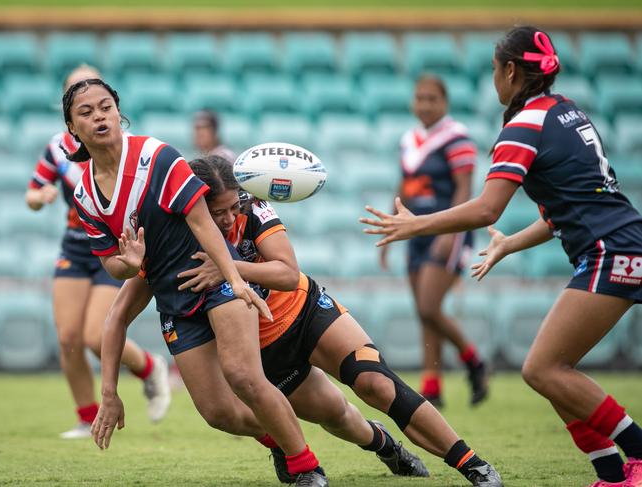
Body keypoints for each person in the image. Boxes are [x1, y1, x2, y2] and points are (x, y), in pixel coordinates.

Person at [361, 26, 642, 487]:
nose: (493, 78)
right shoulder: (568, 111)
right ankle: (611, 473)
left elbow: (486, 207)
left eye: (495, 69)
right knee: (553, 371)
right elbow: (564, 211)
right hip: (618, 243)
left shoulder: (525, 125)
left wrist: (416, 224)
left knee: (543, 369)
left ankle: (636, 453)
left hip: (610, 251)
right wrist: (509, 243)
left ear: (511, 70)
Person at [174, 155, 503, 487]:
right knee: (339, 417)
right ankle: (386, 446)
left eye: (234, 207)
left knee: (376, 383)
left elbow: (287, 273)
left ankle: (474, 465)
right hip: (267, 351)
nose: (229, 218)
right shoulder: (180, 235)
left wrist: (229, 268)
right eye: (218, 213)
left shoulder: (255, 210)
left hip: (307, 312)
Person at [66, 78, 328, 487]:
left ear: (119, 112)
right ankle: (279, 441)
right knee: (216, 413)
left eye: (105, 107)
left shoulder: (157, 157)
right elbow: (113, 267)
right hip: (174, 299)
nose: (98, 116)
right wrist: (109, 393)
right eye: (86, 112)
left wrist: (234, 279)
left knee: (243, 376)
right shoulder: (84, 193)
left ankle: (306, 468)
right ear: (72, 128)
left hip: (214, 278)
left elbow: (202, 221)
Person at [24, 65, 170, 439]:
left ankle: (149, 367)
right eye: (77, 93)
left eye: (98, 98)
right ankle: (87, 415)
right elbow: (32, 192)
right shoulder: (57, 148)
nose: (92, 106)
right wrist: (40, 198)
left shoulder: (129, 144)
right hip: (76, 246)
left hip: (117, 248)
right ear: (69, 110)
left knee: (94, 334)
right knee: (68, 337)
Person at [381, 74, 488, 407]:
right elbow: (404, 188)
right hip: (414, 230)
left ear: (445, 102)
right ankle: (432, 385)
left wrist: (450, 232)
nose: (425, 104)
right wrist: (389, 229)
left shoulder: (457, 139)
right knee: (424, 311)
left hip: (445, 229)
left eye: (432, 98)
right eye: (420, 98)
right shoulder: (409, 140)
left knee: (428, 305)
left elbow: (463, 189)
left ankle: (473, 360)